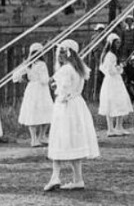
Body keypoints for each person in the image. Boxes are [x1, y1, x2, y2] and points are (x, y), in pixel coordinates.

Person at [44, 40, 100, 192]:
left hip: (65, 107)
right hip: (77, 106)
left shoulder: (65, 70)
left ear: (69, 54)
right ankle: (78, 179)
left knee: (59, 138)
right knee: (73, 141)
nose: (59, 56)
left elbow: (63, 91)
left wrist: (55, 88)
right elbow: (73, 87)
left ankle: (55, 176)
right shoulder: (78, 68)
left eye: (62, 52)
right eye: (59, 52)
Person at [12, 43, 53, 147]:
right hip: (41, 90)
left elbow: (15, 77)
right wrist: (51, 79)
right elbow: (44, 80)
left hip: (31, 89)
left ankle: (34, 139)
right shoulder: (42, 64)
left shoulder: (27, 64)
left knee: (33, 113)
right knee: (46, 112)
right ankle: (41, 136)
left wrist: (24, 79)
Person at [98, 34, 134, 137]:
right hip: (113, 81)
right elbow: (110, 71)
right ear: (111, 43)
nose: (119, 44)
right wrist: (120, 67)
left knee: (119, 102)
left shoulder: (107, 54)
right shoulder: (111, 55)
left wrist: (118, 67)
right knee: (113, 102)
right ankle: (111, 129)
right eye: (117, 42)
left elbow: (103, 68)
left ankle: (118, 127)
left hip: (112, 81)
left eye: (119, 42)